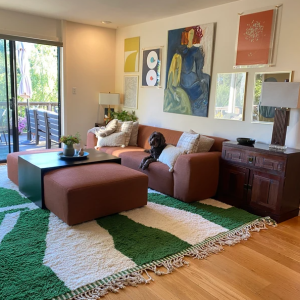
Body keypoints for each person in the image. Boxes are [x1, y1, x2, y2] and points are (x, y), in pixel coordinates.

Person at [170, 25, 210, 117]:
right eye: (189, 33)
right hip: (183, 84)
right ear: (186, 35)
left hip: (193, 84)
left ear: (195, 35)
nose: (190, 35)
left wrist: (201, 81)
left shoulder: (196, 51)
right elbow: (176, 69)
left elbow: (199, 69)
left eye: (192, 33)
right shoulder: (180, 51)